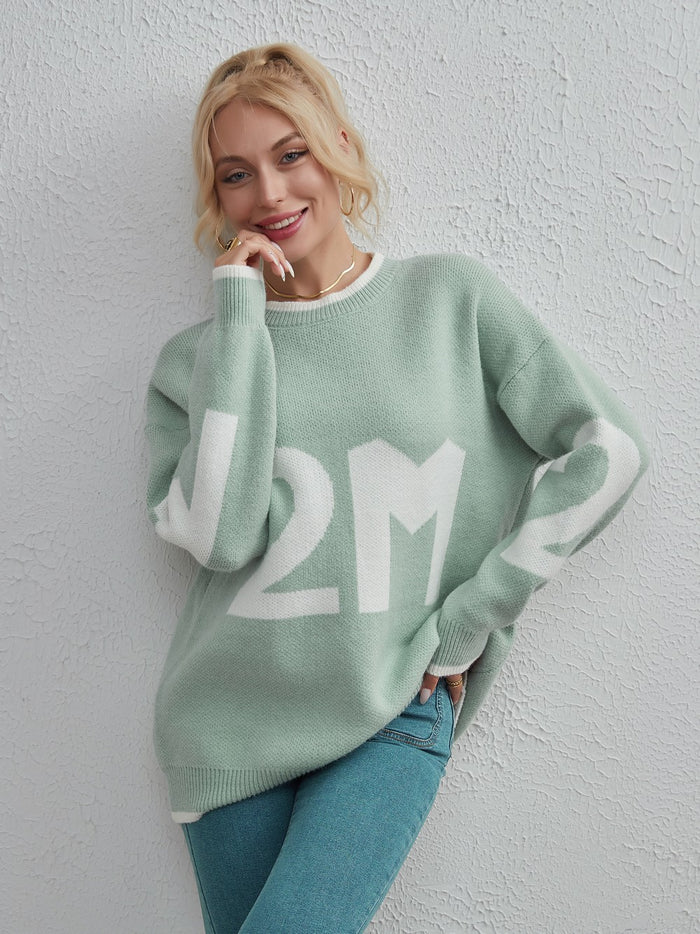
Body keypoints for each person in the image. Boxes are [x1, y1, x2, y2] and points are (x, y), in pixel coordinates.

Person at [143, 42, 649, 934]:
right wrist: (239, 318)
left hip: (396, 698)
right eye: (236, 175)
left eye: (291, 154)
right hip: (229, 726)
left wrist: (474, 615)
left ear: (339, 147)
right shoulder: (196, 362)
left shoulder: (450, 300)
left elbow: (608, 451)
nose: (269, 193)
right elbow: (221, 538)